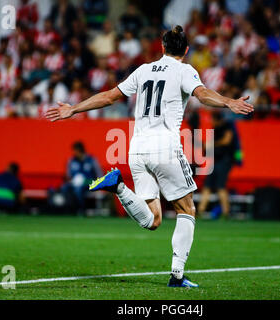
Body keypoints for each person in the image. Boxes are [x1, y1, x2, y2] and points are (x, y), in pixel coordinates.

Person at [45, 25, 254, 288]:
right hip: (164, 147)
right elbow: (202, 94)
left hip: (137, 148)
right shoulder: (185, 70)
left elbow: (110, 97)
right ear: (186, 50)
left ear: (163, 47)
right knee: (187, 209)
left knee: (153, 219)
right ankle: (177, 277)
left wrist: (74, 109)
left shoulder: (143, 70)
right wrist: (229, 102)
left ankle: (119, 186)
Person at [197, 111, 242, 218]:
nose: (211, 121)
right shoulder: (214, 130)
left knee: (220, 186)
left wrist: (211, 145)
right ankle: (199, 211)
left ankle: (226, 212)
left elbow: (226, 141)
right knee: (207, 186)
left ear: (218, 119)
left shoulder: (227, 126)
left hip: (224, 161)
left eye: (212, 119)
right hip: (215, 161)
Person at [62, 141, 102, 212]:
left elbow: (100, 175)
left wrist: (88, 181)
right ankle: (68, 209)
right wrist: (71, 180)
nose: (74, 153)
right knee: (64, 188)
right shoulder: (71, 161)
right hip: (74, 183)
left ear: (80, 150)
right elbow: (68, 175)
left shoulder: (91, 160)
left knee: (78, 189)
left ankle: (81, 209)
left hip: (88, 183)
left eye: (75, 151)